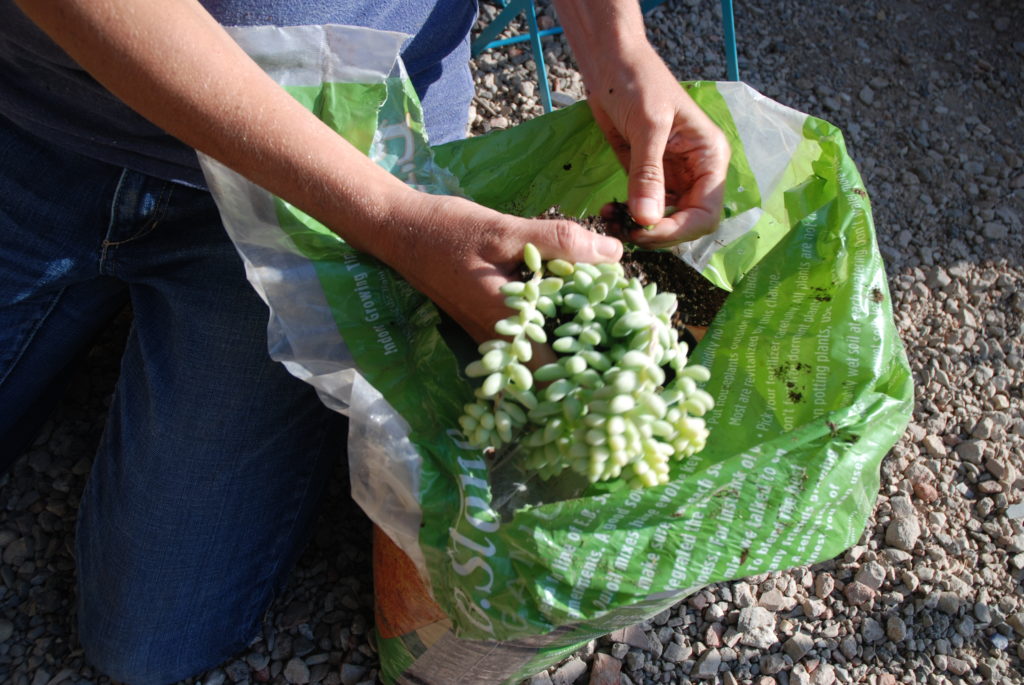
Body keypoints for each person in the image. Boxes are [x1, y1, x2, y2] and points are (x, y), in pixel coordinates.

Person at [0, 0, 729, 682]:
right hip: (39, 110)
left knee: (150, 641)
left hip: (342, 139)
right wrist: (397, 227)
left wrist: (618, 47)